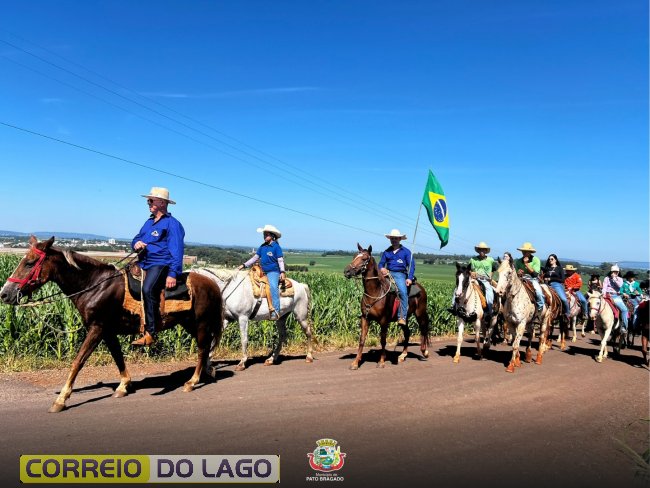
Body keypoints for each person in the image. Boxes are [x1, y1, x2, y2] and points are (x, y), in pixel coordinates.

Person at [131, 187, 185, 346]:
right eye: (148, 201)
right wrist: (136, 244)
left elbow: (177, 250)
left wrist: (173, 273)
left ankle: (151, 332)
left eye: (151, 200)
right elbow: (136, 238)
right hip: (143, 262)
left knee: (147, 289)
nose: (148, 203)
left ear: (161, 203)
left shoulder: (172, 224)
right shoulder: (148, 222)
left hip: (160, 264)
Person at [238, 225, 285, 320]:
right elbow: (255, 258)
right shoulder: (262, 247)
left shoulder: (276, 247)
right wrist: (244, 265)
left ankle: (275, 311)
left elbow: (280, 260)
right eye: (264, 235)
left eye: (266, 235)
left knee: (273, 287)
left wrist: (282, 272)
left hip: (273, 271)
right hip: (262, 271)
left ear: (272, 236)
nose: (264, 237)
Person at [378, 229, 414, 326]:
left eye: (395, 238)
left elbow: (411, 266)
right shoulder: (387, 251)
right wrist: (382, 268)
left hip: (400, 274)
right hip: (387, 273)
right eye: (392, 238)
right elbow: (381, 264)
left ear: (400, 239)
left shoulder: (406, 252)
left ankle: (402, 317)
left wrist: (409, 278)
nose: (393, 240)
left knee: (403, 292)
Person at [514, 242, 544, 313]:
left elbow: (535, 274)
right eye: (523, 251)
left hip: (532, 279)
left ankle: (540, 307)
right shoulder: (518, 261)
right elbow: (516, 273)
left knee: (539, 292)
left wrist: (526, 264)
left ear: (530, 252)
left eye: (526, 251)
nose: (524, 252)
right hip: (521, 279)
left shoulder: (535, 259)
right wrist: (518, 273)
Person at [469, 242, 496, 317]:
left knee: (489, 292)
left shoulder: (490, 260)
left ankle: (490, 310)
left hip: (485, 280)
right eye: (480, 249)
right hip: (474, 279)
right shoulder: (473, 260)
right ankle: (453, 306)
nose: (482, 251)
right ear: (478, 250)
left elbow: (493, 269)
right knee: (460, 287)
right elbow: (469, 269)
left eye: (483, 250)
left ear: (486, 251)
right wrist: (471, 273)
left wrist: (490, 276)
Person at [602, 264, 628, 335]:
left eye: (616, 272)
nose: (615, 273)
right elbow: (604, 287)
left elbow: (620, 285)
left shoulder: (620, 279)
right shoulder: (606, 278)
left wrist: (614, 279)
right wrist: (603, 294)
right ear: (611, 272)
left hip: (615, 296)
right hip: (607, 295)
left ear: (618, 272)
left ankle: (624, 327)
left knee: (624, 310)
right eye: (613, 271)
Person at [542, 254, 569, 320]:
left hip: (556, 285)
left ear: (555, 260)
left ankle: (567, 314)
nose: (550, 260)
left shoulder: (559, 268)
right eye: (549, 259)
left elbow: (562, 280)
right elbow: (543, 276)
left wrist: (551, 279)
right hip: (546, 285)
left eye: (552, 259)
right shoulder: (547, 268)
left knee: (564, 299)